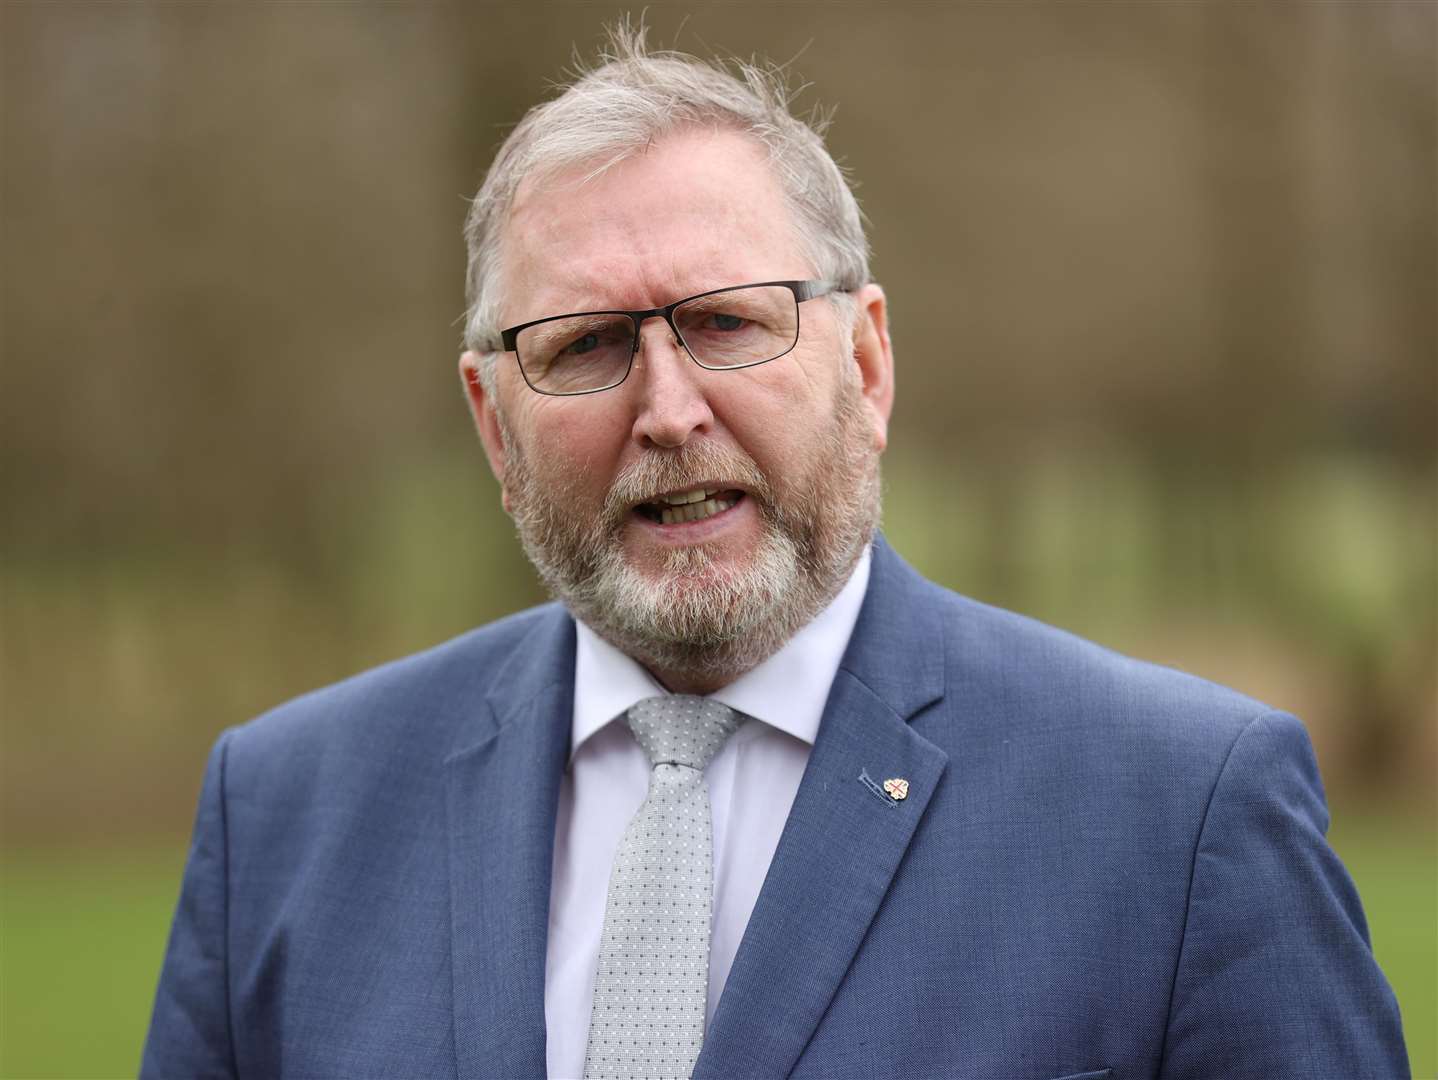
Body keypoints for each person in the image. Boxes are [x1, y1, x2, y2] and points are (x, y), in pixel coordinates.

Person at [142, 26, 1408, 1080]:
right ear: (491, 420)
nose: (669, 407)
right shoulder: (286, 821)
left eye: (724, 323)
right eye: (583, 346)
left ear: (863, 363)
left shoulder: (1177, 815)